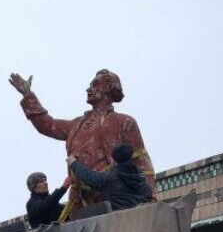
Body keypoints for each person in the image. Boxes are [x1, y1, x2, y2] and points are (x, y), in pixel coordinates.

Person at [9, 69, 156, 218]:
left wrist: (151, 198)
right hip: (80, 200)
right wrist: (28, 95)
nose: (89, 89)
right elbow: (47, 125)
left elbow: (143, 164)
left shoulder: (124, 122)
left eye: (95, 85)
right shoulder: (77, 124)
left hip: (111, 196)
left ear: (110, 89)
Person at [66, 144, 153, 211]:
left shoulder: (109, 179)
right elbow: (149, 196)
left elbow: (87, 175)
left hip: (121, 223)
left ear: (114, 160)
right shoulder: (141, 178)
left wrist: (73, 162)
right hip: (143, 219)